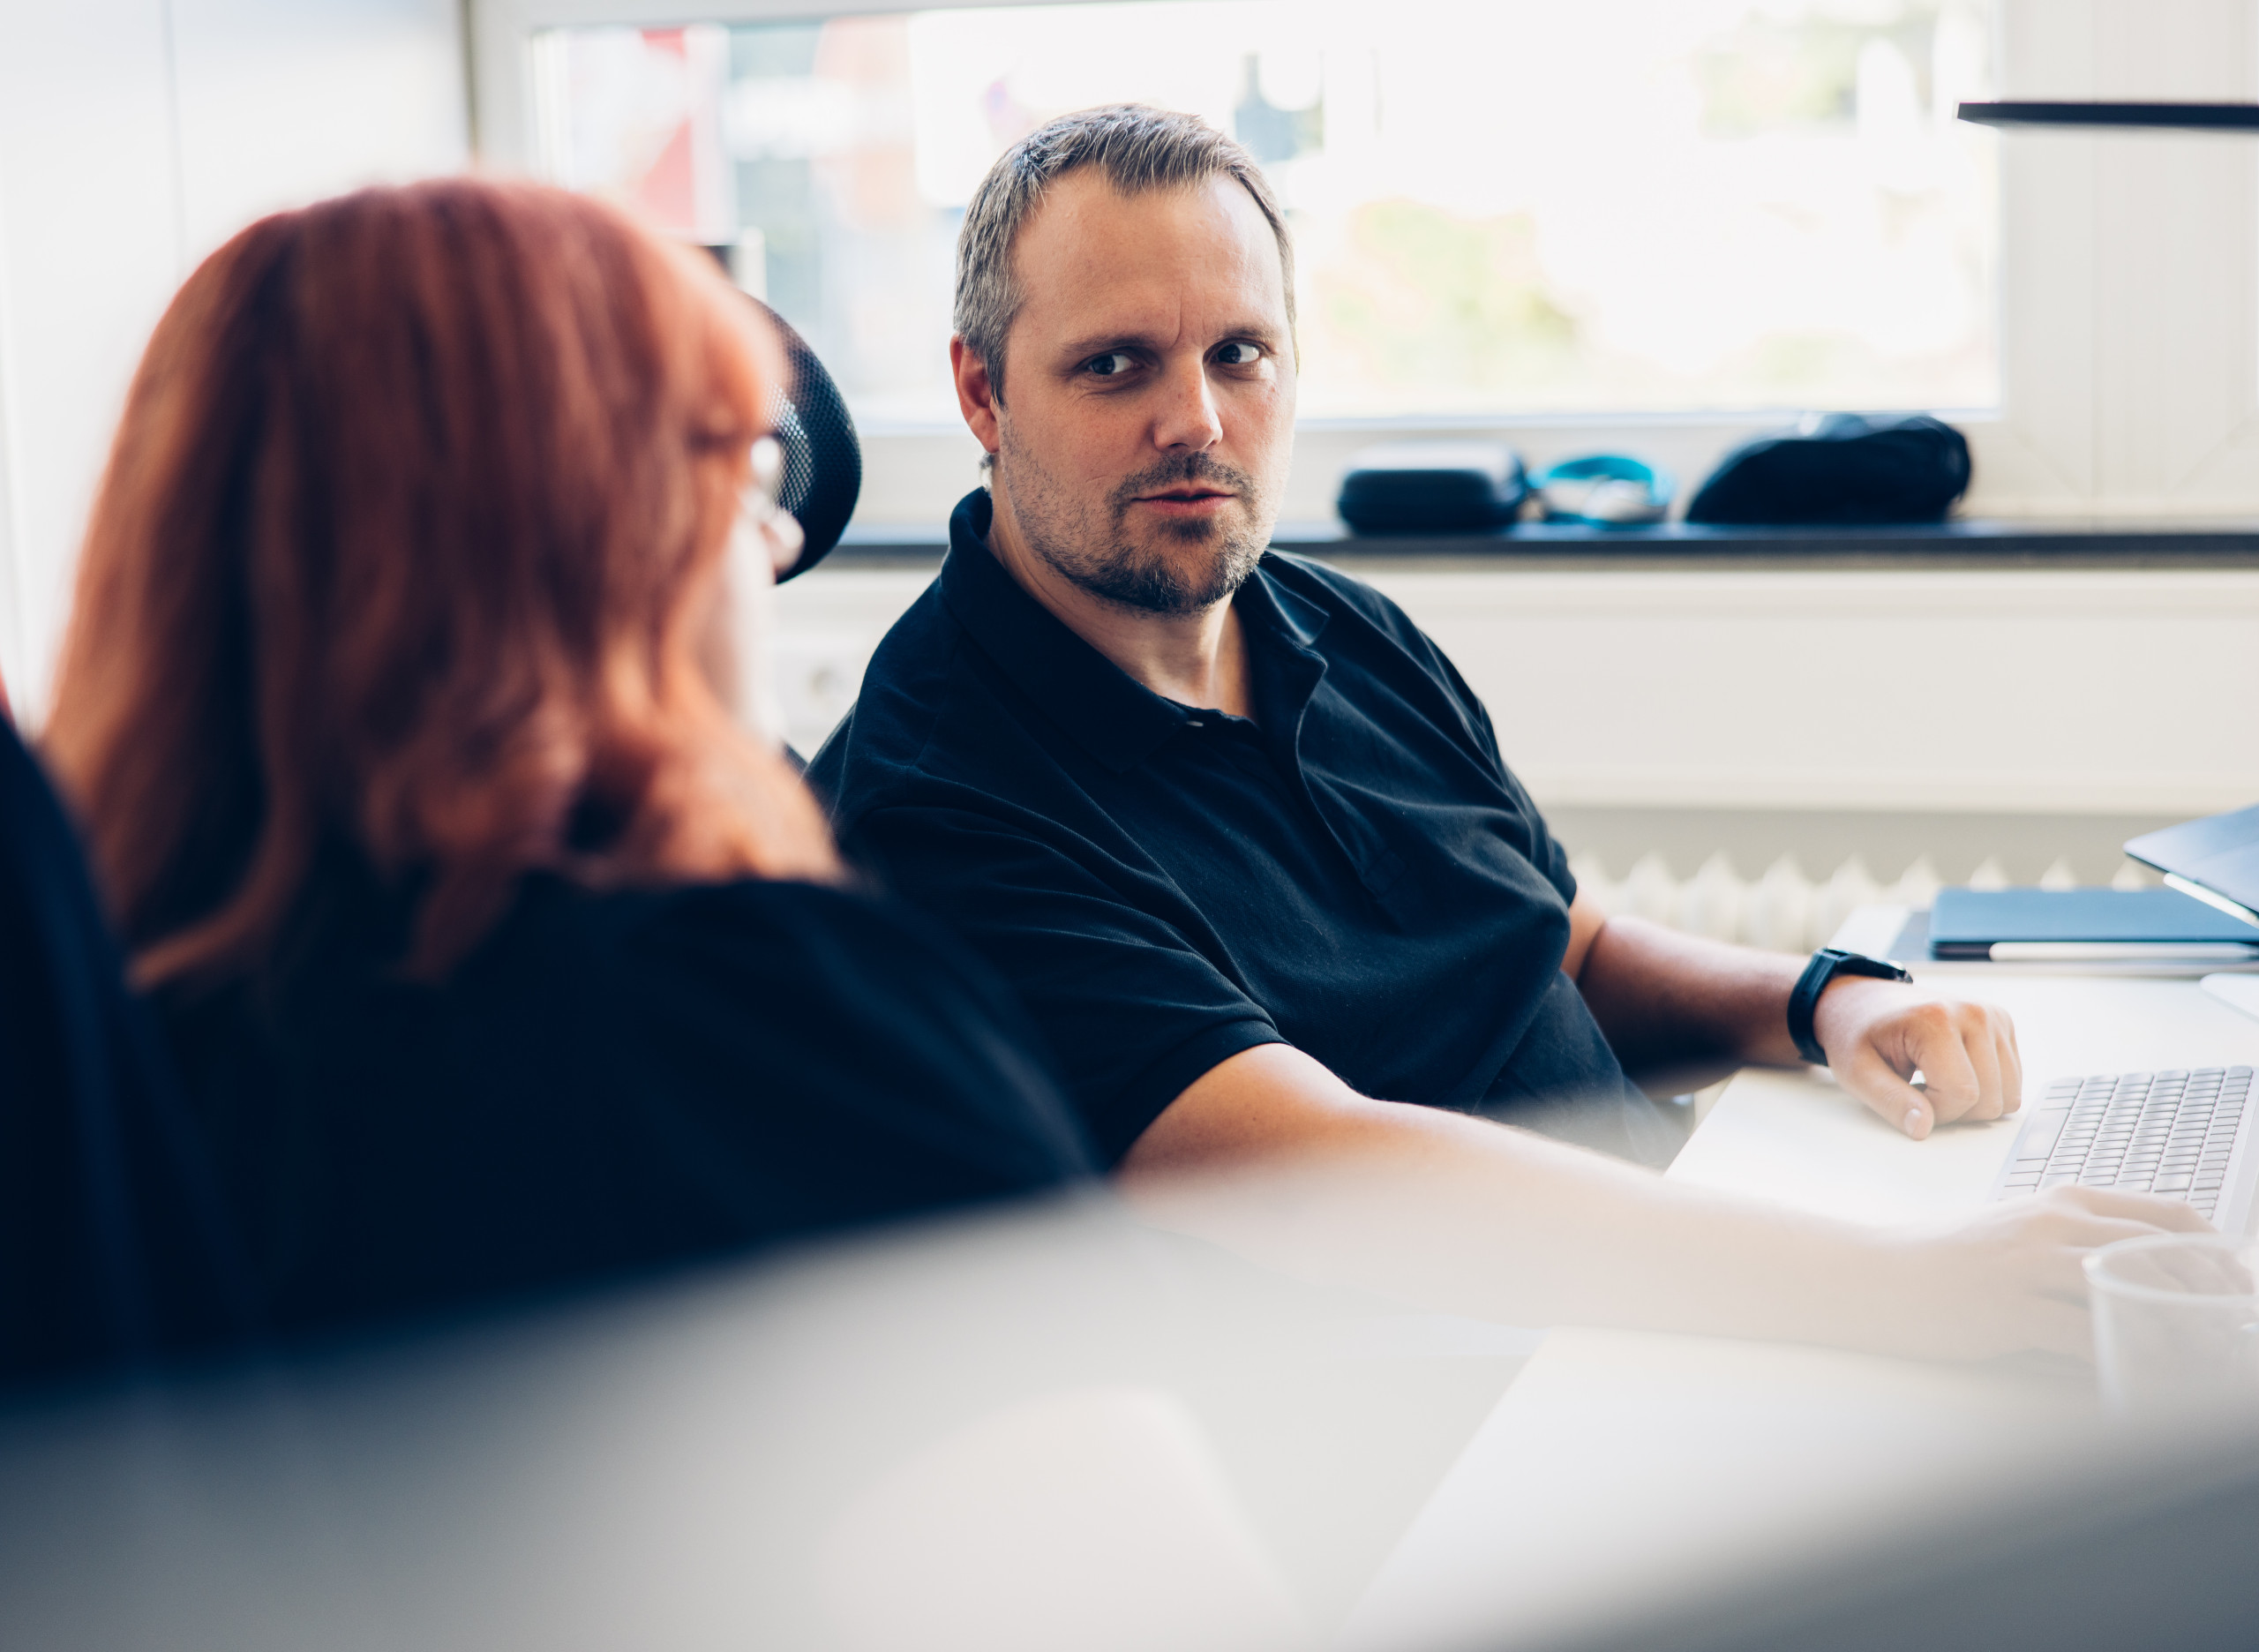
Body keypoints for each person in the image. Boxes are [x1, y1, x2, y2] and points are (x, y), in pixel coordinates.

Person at [808, 105, 2204, 1359]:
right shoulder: (940, 798)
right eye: (1115, 366)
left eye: (1242, 354)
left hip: (1674, 1294)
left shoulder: (1341, 630)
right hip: (1451, 1438)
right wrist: (1908, 1290)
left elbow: (1569, 947)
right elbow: (1313, 1165)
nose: (1198, 420)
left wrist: (1825, 1000)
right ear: (983, 393)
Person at [38, 178, 1091, 1343]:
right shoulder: (757, 1015)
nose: (780, 534)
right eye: (735, 470)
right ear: (580, 534)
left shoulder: (101, 1060)